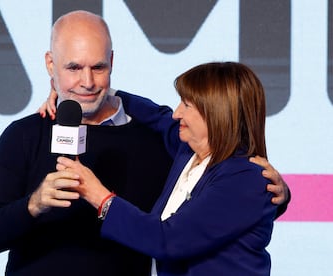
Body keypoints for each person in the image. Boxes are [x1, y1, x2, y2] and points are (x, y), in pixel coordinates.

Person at [0, 10, 289, 276]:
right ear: (50, 65)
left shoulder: (165, 142)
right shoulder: (24, 134)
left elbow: (195, 224)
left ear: (111, 63)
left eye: (98, 68)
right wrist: (34, 203)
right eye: (73, 68)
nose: (87, 81)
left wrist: (276, 194)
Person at [55, 62, 282, 275]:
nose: (177, 113)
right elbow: (157, 116)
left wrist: (99, 196)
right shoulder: (188, 149)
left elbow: (168, 240)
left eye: (186, 104)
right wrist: (95, 96)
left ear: (216, 113)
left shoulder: (243, 179)